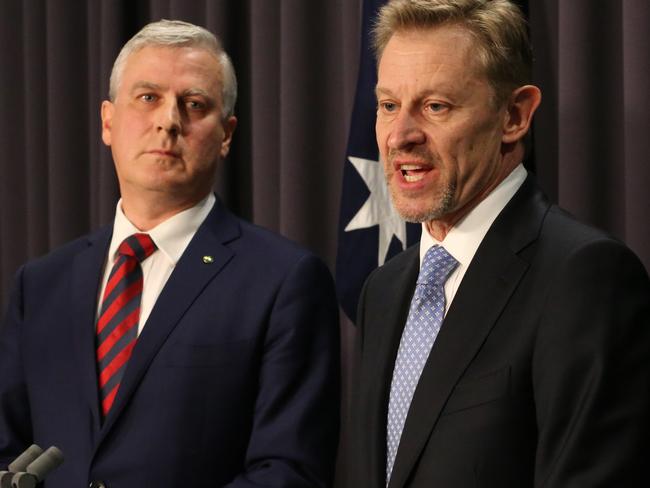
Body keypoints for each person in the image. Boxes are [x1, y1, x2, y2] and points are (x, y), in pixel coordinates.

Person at [0, 20, 340, 488]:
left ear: (226, 134)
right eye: (147, 98)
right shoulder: (40, 284)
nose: (169, 120)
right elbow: (8, 453)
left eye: (194, 104)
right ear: (107, 121)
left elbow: (288, 472)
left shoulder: (285, 281)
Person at [348, 1, 650, 487]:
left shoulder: (583, 276)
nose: (400, 136)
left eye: (435, 106)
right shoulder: (383, 290)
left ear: (514, 115)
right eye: (388, 105)